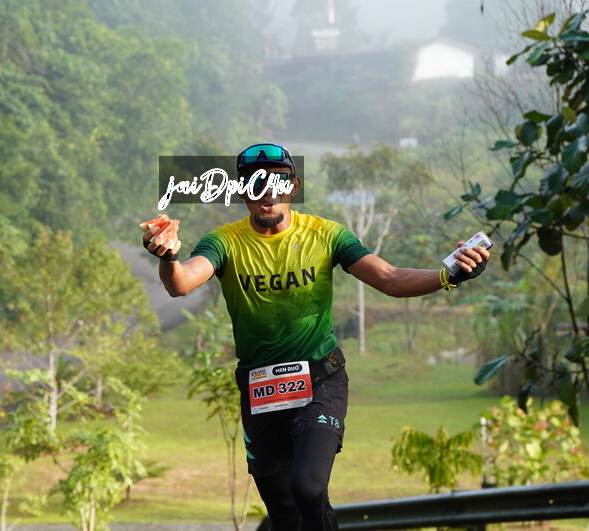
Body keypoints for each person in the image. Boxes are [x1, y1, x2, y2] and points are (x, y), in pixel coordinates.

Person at [143, 142, 490, 530]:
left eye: (277, 182)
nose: (267, 192)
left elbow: (390, 279)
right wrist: (168, 257)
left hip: (320, 381)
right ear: (241, 192)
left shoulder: (325, 235)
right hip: (260, 388)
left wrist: (449, 275)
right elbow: (181, 283)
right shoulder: (224, 242)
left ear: (293, 186)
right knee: (284, 515)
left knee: (308, 488)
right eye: (255, 183)